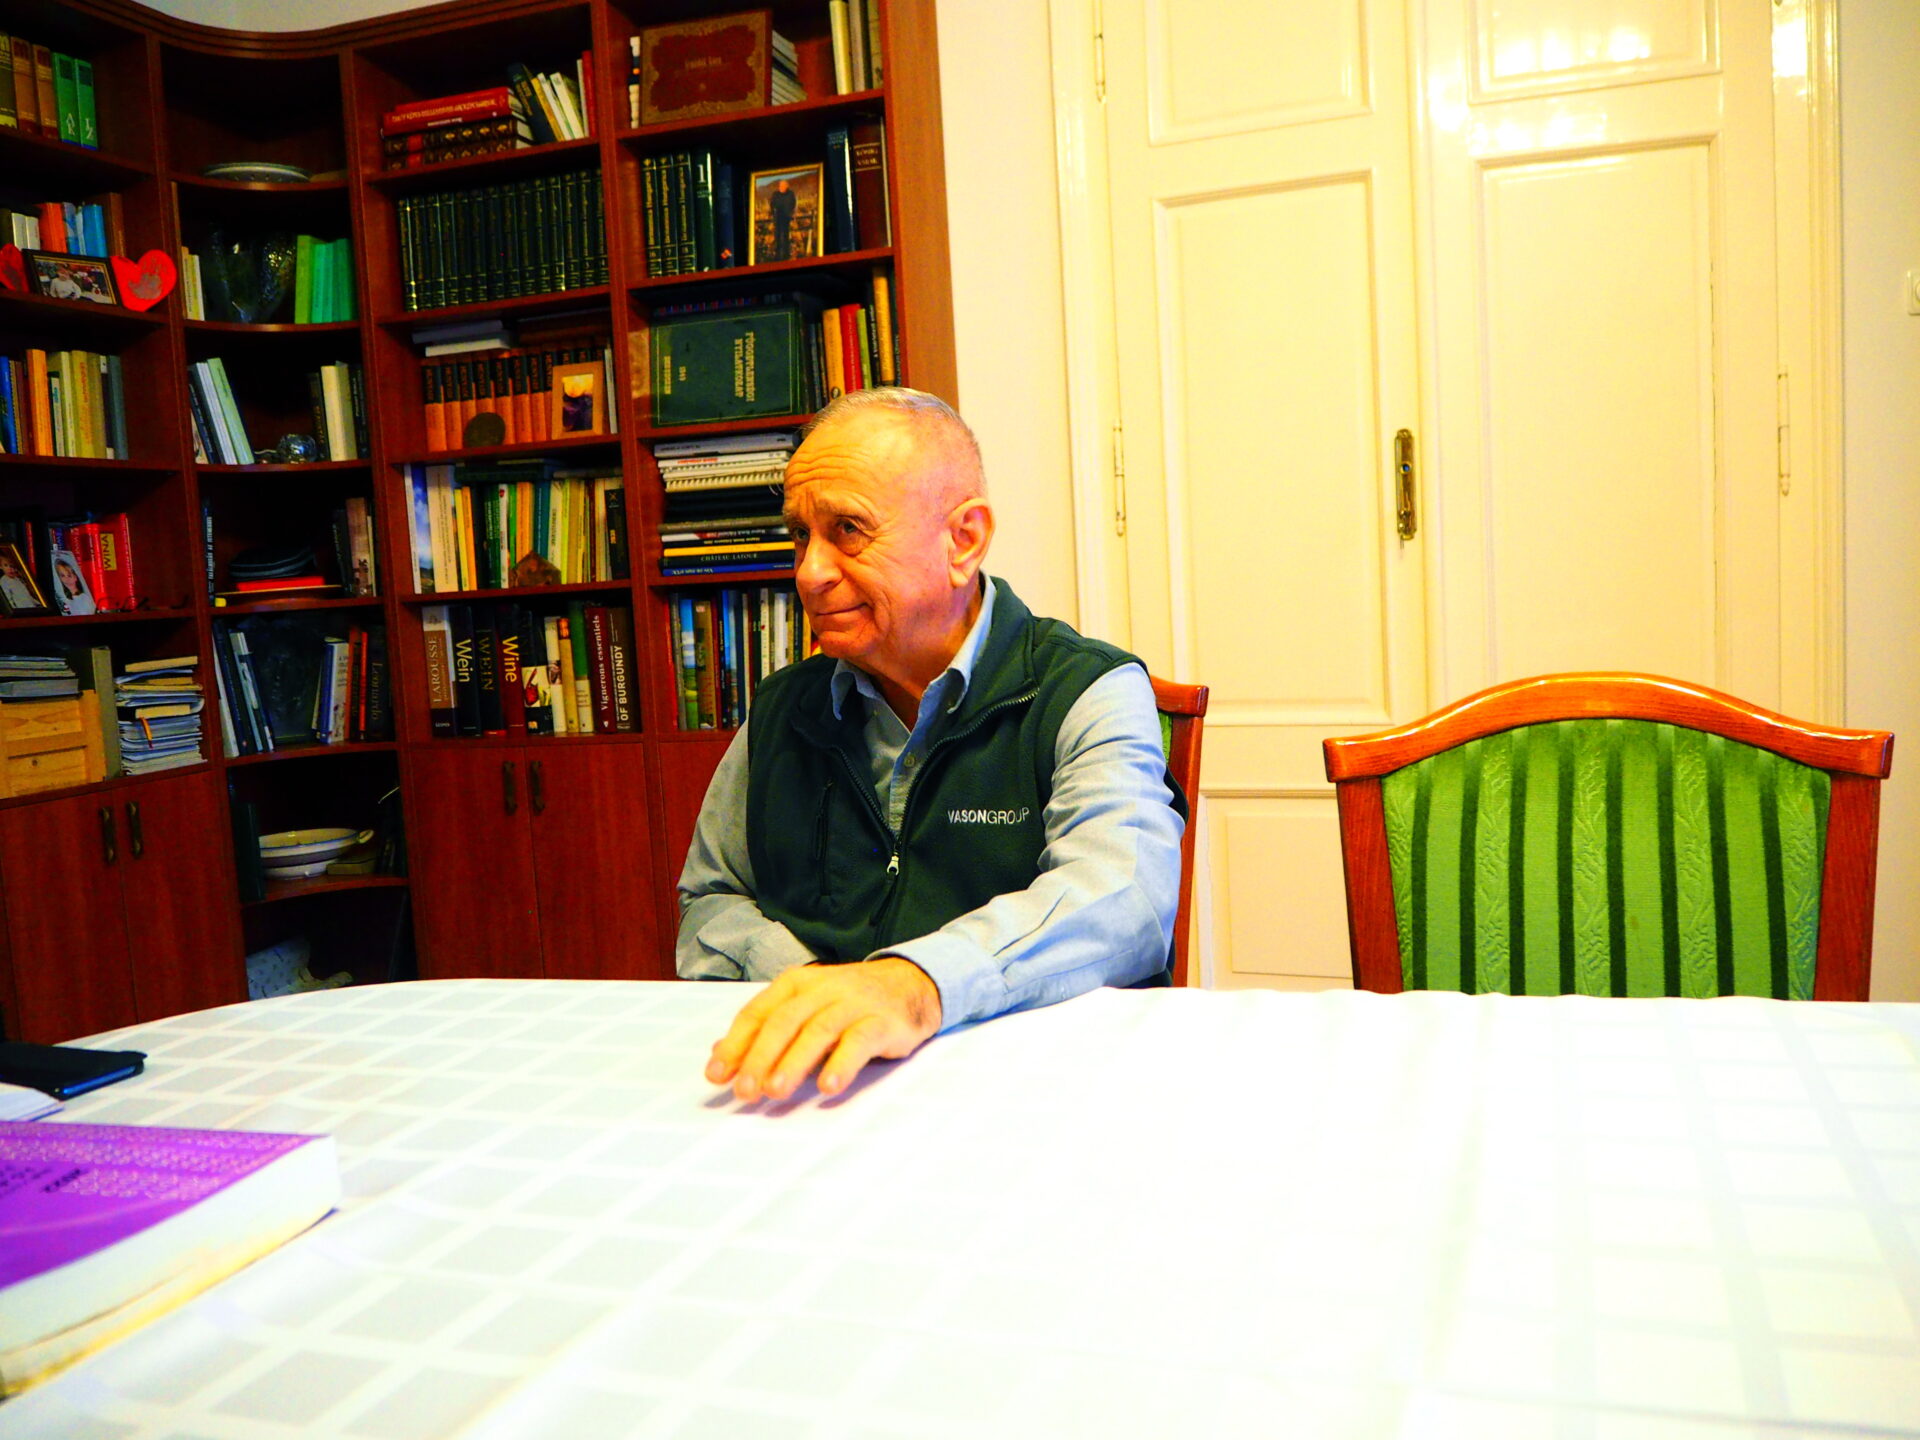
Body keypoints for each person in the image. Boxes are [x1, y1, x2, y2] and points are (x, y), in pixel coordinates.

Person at [679, 388, 1186, 1102]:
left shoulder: (1086, 689)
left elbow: (1123, 899)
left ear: (963, 541)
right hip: (827, 1086)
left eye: (848, 529)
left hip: (1044, 1090)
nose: (809, 572)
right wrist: (818, 990)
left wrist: (913, 986)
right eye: (799, 534)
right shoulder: (781, 709)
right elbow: (711, 898)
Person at [767, 178, 797, 262]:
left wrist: (792, 214)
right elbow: (772, 205)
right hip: (778, 219)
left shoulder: (790, 194)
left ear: (787, 186)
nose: (781, 187)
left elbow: (793, 204)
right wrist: (772, 214)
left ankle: (785, 255)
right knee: (777, 237)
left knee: (786, 237)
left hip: (786, 219)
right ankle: (777, 256)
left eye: (783, 186)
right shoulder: (775, 194)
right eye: (780, 186)